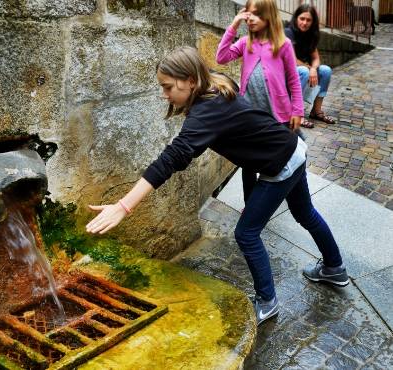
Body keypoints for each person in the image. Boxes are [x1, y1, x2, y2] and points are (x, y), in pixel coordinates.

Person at [85, 46, 348, 326]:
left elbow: (170, 159)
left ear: (190, 80)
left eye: (168, 87)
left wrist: (124, 206)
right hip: (292, 148)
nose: (165, 95)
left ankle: (268, 301)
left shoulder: (206, 111)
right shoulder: (215, 82)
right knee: (304, 212)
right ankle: (335, 268)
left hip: (281, 163)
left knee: (246, 233)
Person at [215, 0, 306, 204]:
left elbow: (293, 79)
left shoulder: (283, 44)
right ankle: (250, 205)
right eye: (248, 13)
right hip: (251, 117)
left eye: (256, 14)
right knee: (248, 164)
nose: (250, 18)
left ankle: (278, 194)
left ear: (269, 17)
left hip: (278, 115)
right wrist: (234, 25)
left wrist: (297, 110)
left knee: (280, 157)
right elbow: (221, 57)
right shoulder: (246, 42)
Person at [285, 4, 337, 125]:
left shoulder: (310, 35)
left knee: (326, 70)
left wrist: (314, 69)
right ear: (296, 18)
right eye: (302, 18)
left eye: (308, 20)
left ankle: (316, 111)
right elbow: (291, 60)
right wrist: (309, 69)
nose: (304, 23)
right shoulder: (288, 32)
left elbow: (316, 58)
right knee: (304, 70)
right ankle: (295, 113)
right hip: (285, 73)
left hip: (304, 70)